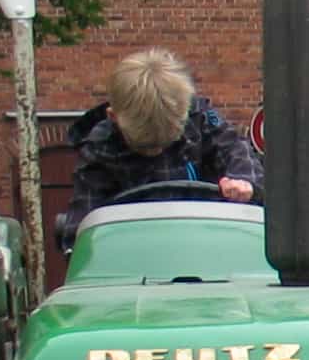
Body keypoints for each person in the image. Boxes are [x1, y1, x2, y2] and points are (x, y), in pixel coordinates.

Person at [58, 49, 263, 246]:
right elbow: (83, 224)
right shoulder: (100, 149)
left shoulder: (200, 120)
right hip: (136, 251)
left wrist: (243, 180)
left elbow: (234, 147)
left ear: (185, 112)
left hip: (207, 242)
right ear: (114, 117)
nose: (155, 151)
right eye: (144, 146)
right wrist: (79, 238)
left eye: (166, 143)